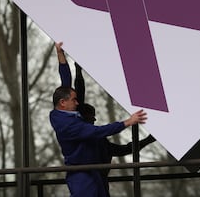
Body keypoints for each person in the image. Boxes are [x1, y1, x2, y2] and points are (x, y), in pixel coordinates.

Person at [54, 42, 155, 195]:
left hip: (98, 179)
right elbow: (79, 95)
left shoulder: (97, 139)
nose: (93, 119)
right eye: (90, 117)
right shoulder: (78, 127)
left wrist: (67, 60)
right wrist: (128, 122)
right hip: (84, 178)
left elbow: (69, 86)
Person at [50, 86, 147, 197]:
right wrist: (128, 122)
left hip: (91, 172)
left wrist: (67, 68)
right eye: (74, 100)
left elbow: (67, 85)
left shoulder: (58, 115)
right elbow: (99, 131)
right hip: (83, 173)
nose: (77, 103)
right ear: (62, 102)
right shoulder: (72, 127)